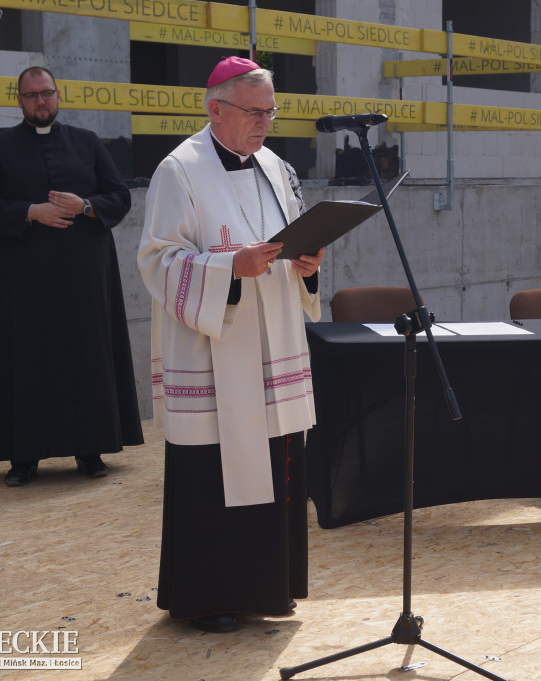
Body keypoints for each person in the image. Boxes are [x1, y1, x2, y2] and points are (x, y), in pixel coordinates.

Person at [137, 56, 323, 634]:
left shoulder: (274, 166)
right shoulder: (179, 170)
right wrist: (229, 267)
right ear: (215, 108)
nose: (265, 122)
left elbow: (293, 241)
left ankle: (269, 588)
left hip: (272, 345)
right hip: (214, 355)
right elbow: (157, 260)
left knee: (274, 462)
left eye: (270, 111)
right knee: (212, 474)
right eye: (254, 111)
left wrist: (307, 264)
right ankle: (207, 596)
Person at [0, 66, 143, 487]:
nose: (40, 102)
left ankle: (91, 450)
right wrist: (31, 211)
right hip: (22, 282)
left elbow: (119, 196)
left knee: (87, 357)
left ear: (58, 95)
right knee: (26, 361)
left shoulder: (86, 143)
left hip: (85, 276)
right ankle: (23, 458)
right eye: (31, 96)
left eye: (46, 94)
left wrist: (85, 205)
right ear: (19, 101)